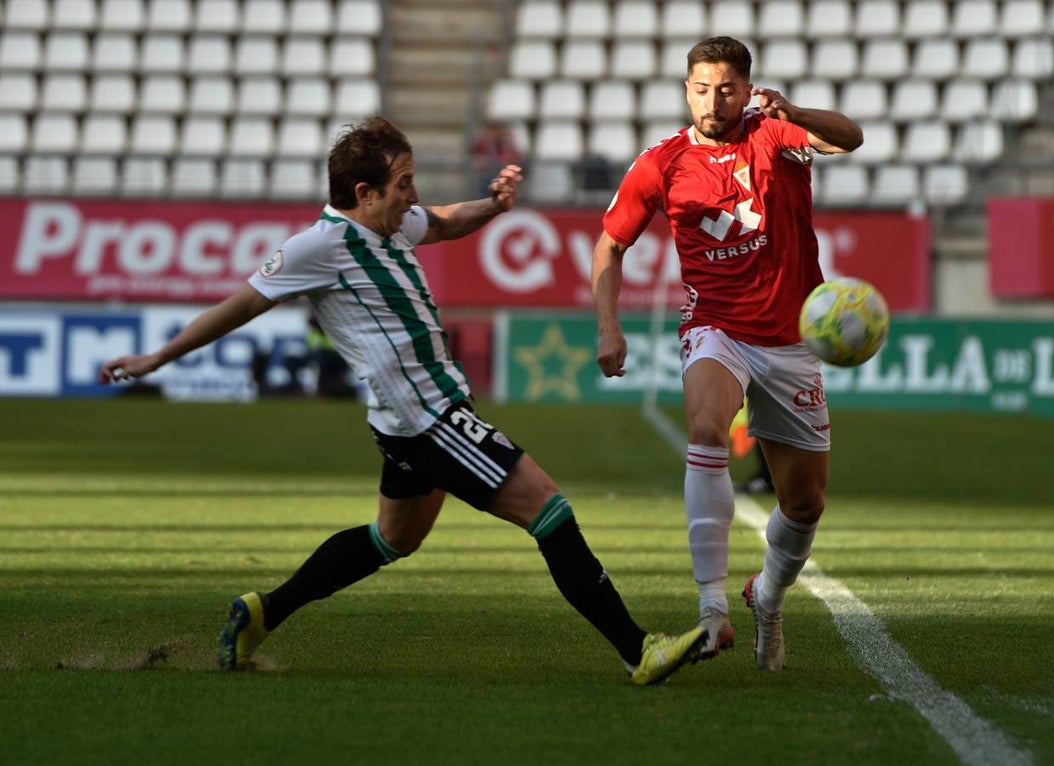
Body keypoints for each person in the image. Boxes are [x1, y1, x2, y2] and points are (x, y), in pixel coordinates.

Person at [100, 116, 706, 685]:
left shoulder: (392, 224)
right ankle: (639, 649)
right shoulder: (317, 247)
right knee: (549, 510)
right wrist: (157, 358)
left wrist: (492, 206)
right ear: (364, 193)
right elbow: (240, 305)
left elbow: (444, 221)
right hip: (428, 420)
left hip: (407, 422)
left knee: (393, 539)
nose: (412, 196)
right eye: (403, 184)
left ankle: (261, 612)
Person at [591, 37, 862, 670]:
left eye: (728, 89)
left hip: (793, 336)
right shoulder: (661, 162)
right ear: (687, 89)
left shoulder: (776, 136)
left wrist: (792, 110)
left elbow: (849, 136)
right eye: (702, 88)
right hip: (716, 328)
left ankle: (766, 597)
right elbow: (609, 247)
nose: (714, 101)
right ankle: (713, 614)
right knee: (707, 428)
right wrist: (609, 327)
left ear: (748, 88)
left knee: (804, 503)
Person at [471, 120, 524, 198]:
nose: (494, 133)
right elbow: (476, 155)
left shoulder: (506, 144)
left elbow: (516, 157)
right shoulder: (484, 143)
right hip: (486, 176)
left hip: (501, 176)